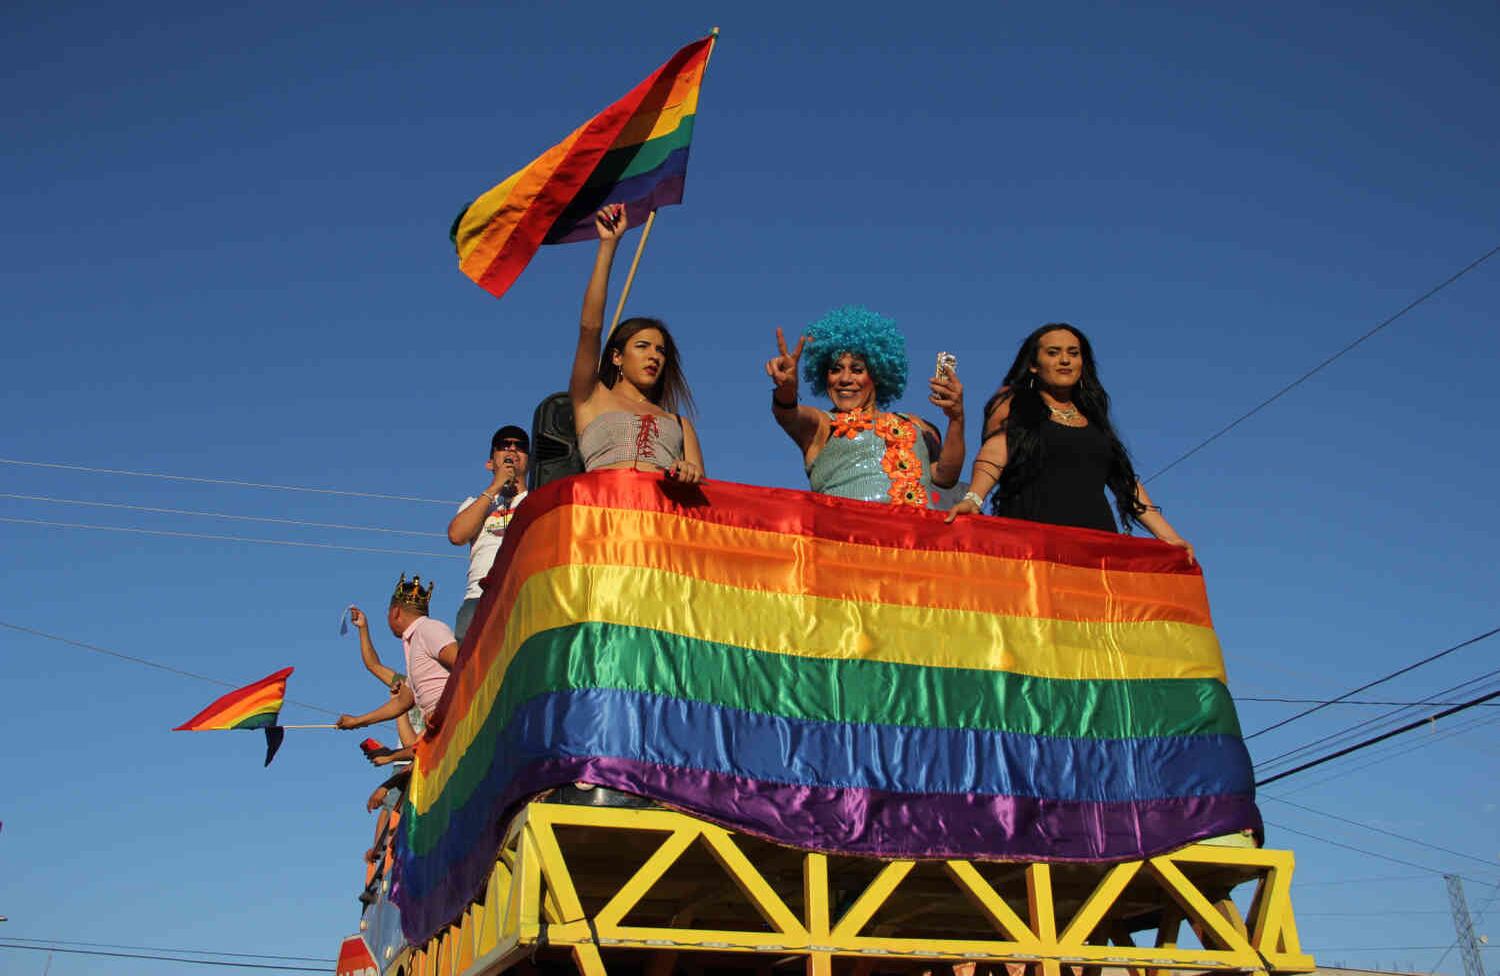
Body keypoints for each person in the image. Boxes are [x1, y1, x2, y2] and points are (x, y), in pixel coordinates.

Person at [945, 323, 1194, 561]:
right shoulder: (1013, 403)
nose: (1065, 360)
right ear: (1033, 364)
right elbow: (997, 450)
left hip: (1097, 544)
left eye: (1073, 353)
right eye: (1053, 353)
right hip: (1035, 544)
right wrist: (973, 499)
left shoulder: (1094, 417)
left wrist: (1170, 537)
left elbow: (1126, 482)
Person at [765, 306, 964, 507]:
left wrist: (956, 418)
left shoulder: (917, 425)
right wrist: (787, 388)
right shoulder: (822, 425)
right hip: (847, 535)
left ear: (877, 374)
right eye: (835, 370)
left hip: (915, 536)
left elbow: (945, 477)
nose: (844, 379)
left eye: (857, 370)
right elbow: (788, 414)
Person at [570, 204, 704, 483]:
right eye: (642, 346)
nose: (654, 356)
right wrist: (608, 245)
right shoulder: (590, 397)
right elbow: (590, 327)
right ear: (617, 357)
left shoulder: (680, 424)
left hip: (660, 520)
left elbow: (704, 491)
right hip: (605, 518)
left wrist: (690, 475)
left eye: (660, 350)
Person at [337, 574, 458, 732]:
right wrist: (357, 721)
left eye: (387, 613)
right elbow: (402, 701)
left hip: (456, 719)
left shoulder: (429, 629)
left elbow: (464, 663)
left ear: (395, 612)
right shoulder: (415, 642)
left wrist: (444, 709)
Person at [446, 424, 530, 642]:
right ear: (490, 463)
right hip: (478, 598)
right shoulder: (475, 504)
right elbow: (456, 535)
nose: (512, 450)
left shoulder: (537, 500)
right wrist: (494, 488)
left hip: (522, 596)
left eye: (520, 447)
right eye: (504, 446)